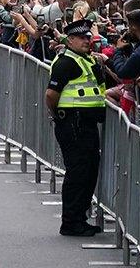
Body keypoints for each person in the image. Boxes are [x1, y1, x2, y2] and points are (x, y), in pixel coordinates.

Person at [46, 19, 108, 236]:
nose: (86, 41)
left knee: (89, 171)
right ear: (70, 39)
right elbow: (50, 96)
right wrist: (59, 116)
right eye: (81, 38)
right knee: (78, 172)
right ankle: (71, 222)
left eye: (88, 37)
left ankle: (79, 218)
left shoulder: (86, 60)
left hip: (86, 124)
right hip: (73, 124)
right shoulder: (66, 63)